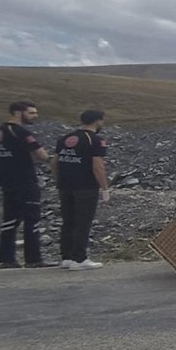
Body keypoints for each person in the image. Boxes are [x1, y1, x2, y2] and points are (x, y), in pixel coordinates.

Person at [0, 101, 55, 269]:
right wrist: (53, 161)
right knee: (32, 219)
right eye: (31, 113)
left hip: (6, 181)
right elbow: (40, 154)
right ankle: (33, 259)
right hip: (25, 181)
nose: (35, 116)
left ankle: (6, 259)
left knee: (10, 220)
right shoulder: (21, 131)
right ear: (18, 112)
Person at [54, 110, 109, 271]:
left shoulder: (64, 139)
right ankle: (79, 259)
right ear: (97, 121)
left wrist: (59, 179)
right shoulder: (95, 140)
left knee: (68, 221)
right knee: (82, 223)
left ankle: (66, 257)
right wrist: (105, 188)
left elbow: (54, 162)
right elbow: (97, 166)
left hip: (65, 186)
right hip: (85, 187)